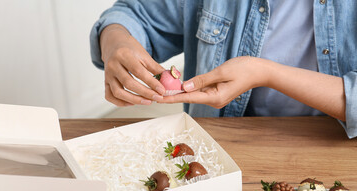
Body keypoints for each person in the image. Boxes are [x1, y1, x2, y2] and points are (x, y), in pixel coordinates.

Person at [90, 0, 357, 139]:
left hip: (335, 148)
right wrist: (115, 40)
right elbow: (134, 14)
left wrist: (266, 73)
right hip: (222, 147)